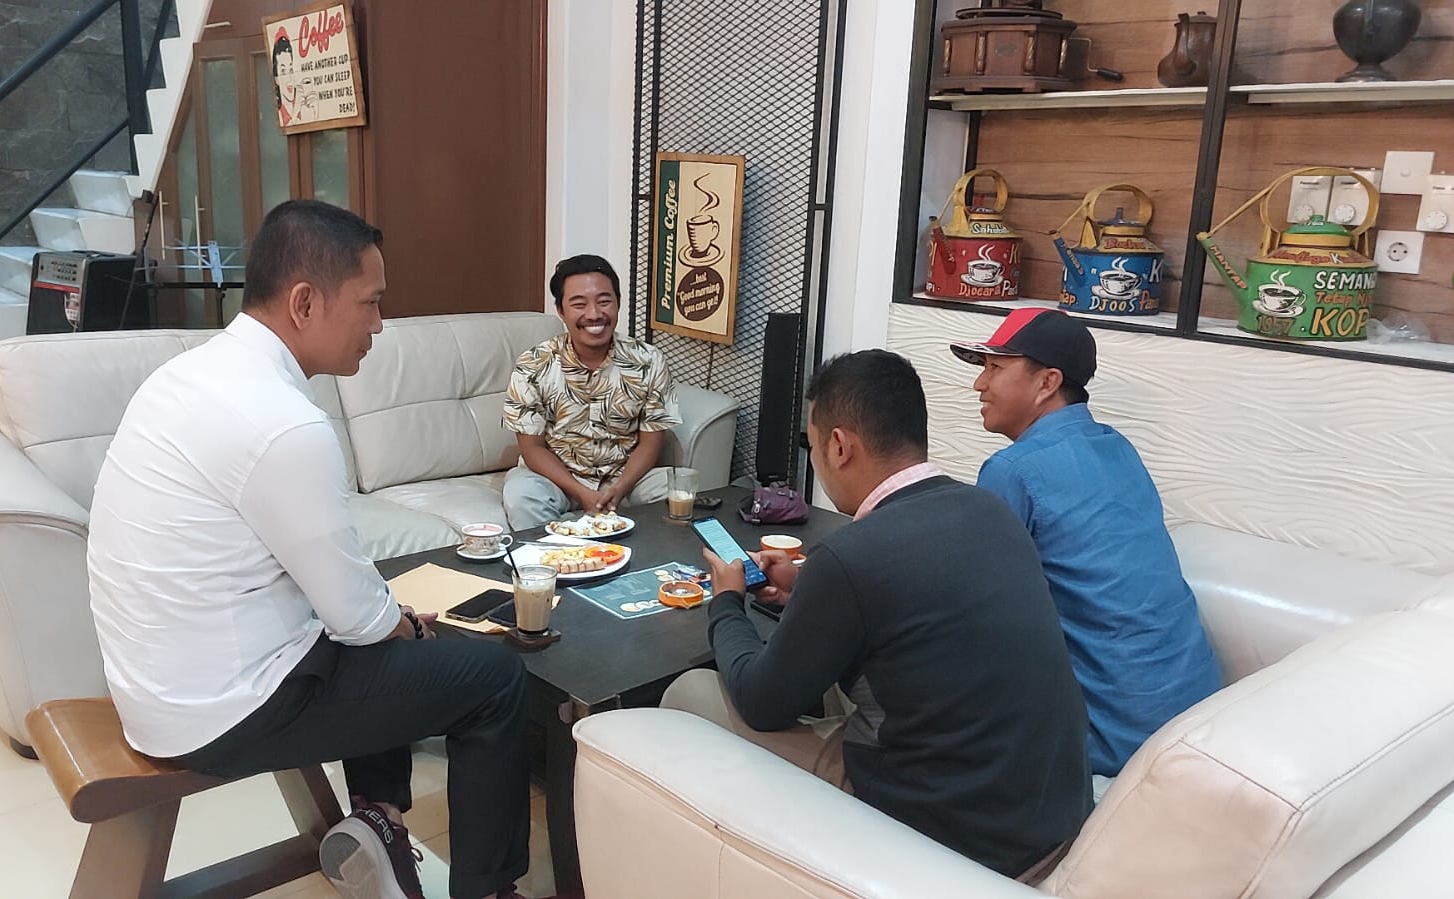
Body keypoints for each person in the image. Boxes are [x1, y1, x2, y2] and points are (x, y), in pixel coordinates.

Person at [88, 200, 546, 899]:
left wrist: (390, 622)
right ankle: (488, 889)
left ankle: (378, 819)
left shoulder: (187, 376)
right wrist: (401, 624)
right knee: (493, 678)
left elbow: (343, 603)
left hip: (154, 684)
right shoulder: (283, 424)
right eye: (370, 302)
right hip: (219, 709)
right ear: (304, 302)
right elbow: (358, 619)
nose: (379, 324)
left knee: (386, 639)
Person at [664, 349, 1091, 881]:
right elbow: (915, 614)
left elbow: (760, 703)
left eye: (812, 446)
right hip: (1054, 818)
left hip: (956, 839)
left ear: (840, 446)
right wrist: (808, 592)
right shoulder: (990, 510)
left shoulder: (850, 557)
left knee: (689, 694)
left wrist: (727, 601)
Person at [950, 307, 1222, 781]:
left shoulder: (1011, 470)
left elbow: (970, 611)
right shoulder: (1118, 447)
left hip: (1111, 739)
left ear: (1047, 382)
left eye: (994, 367)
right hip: (1197, 716)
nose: (979, 384)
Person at [501, 254, 682, 528]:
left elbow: (651, 441)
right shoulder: (534, 364)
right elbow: (531, 448)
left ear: (618, 303)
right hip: (555, 480)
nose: (594, 314)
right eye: (579, 304)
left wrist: (620, 488)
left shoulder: (649, 360)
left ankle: (643, 555)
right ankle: (554, 555)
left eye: (604, 301)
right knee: (522, 494)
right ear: (561, 311)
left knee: (678, 490)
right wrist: (582, 492)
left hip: (625, 479)